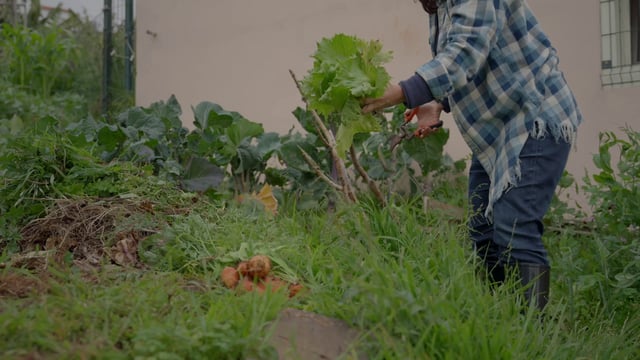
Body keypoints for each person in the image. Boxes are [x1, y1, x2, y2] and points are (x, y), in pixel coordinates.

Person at [362, 0, 582, 312]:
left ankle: (534, 332)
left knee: (515, 227)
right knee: (483, 232)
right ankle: (496, 317)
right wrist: (435, 103)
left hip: (533, 118)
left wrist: (401, 91)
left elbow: (466, 51)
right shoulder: (442, 7)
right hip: (496, 134)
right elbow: (462, 61)